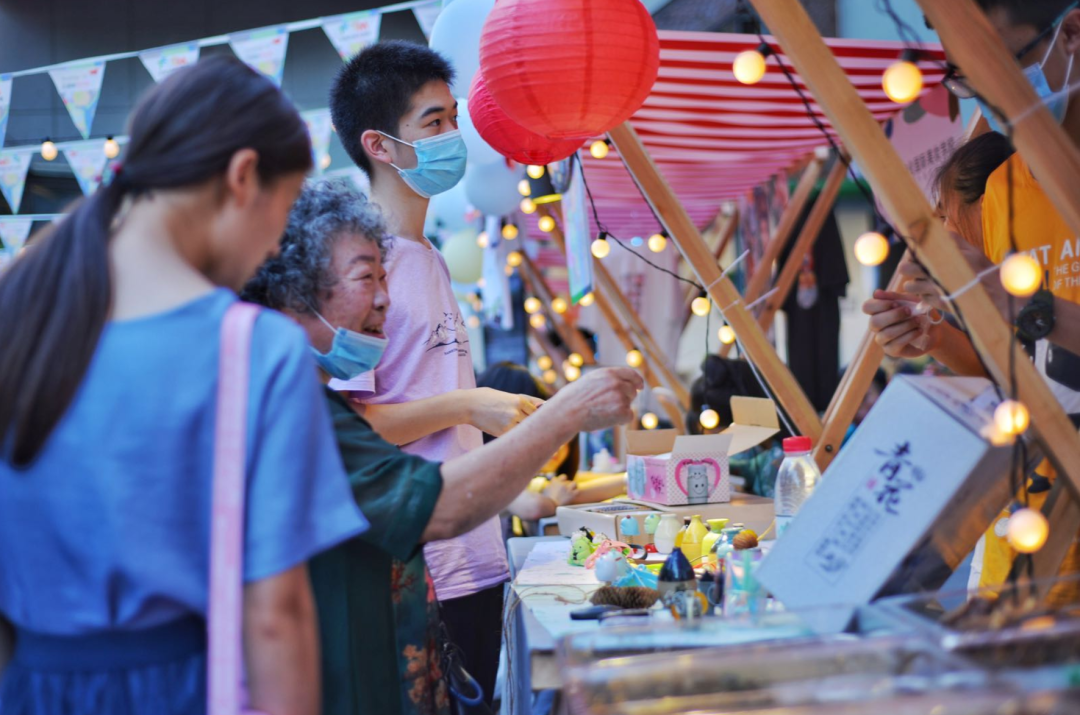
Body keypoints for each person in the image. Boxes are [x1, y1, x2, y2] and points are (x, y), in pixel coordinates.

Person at [0, 57, 367, 715]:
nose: (268, 254)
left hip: (31, 685)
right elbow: (274, 614)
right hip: (184, 687)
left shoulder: (16, 313)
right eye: (279, 222)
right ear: (242, 176)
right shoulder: (254, 348)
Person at [240, 180, 642, 715]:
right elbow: (442, 503)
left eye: (385, 277)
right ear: (295, 295)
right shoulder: (291, 414)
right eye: (367, 278)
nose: (385, 297)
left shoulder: (316, 405)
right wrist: (568, 412)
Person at [328, 40, 537, 702]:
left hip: (477, 555)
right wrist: (469, 404)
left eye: (454, 118)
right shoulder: (362, 273)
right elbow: (351, 429)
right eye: (434, 123)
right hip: (421, 570)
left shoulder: (429, 260)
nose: (455, 137)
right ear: (380, 145)